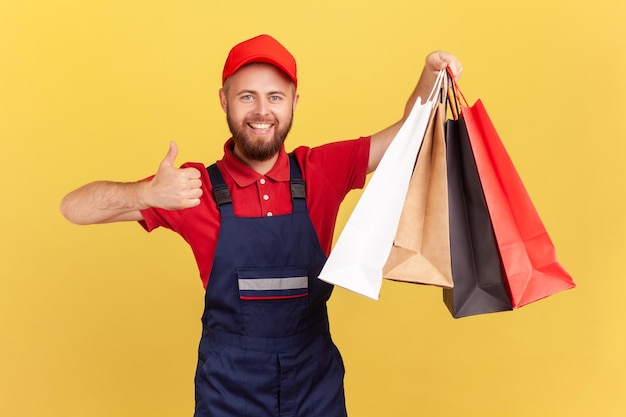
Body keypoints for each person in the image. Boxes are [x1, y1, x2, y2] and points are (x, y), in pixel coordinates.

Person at [60, 34, 462, 417]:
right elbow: (73, 208)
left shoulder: (322, 170)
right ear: (224, 101)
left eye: (275, 97)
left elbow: (410, 135)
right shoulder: (190, 187)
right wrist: (145, 194)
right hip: (228, 390)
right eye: (246, 96)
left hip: (314, 385)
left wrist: (431, 75)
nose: (261, 111)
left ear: (293, 103)